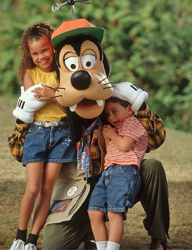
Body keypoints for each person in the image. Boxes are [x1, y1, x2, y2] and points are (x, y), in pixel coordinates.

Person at [41, 19, 169, 250]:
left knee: (152, 167)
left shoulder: (113, 109)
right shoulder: (55, 113)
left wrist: (139, 105)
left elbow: (156, 138)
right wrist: (25, 116)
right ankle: (89, 229)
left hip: (119, 176)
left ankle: (158, 239)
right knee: (53, 246)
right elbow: (23, 153)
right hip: (77, 189)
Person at [10, 23, 76, 250]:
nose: (41, 57)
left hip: (63, 133)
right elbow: (33, 98)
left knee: (48, 189)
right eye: (35, 53)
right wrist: (58, 93)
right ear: (29, 55)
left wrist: (54, 92)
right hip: (37, 133)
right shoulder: (30, 74)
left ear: (53, 48)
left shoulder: (64, 71)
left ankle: (32, 239)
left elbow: (73, 98)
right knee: (33, 188)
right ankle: (19, 235)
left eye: (45, 50)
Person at [88, 84, 148, 250]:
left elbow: (123, 146)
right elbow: (110, 150)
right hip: (108, 172)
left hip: (125, 171)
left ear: (129, 109)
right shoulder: (117, 128)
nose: (112, 117)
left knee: (115, 212)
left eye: (115, 111)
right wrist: (108, 135)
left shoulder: (133, 123)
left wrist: (112, 134)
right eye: (108, 114)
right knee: (94, 211)